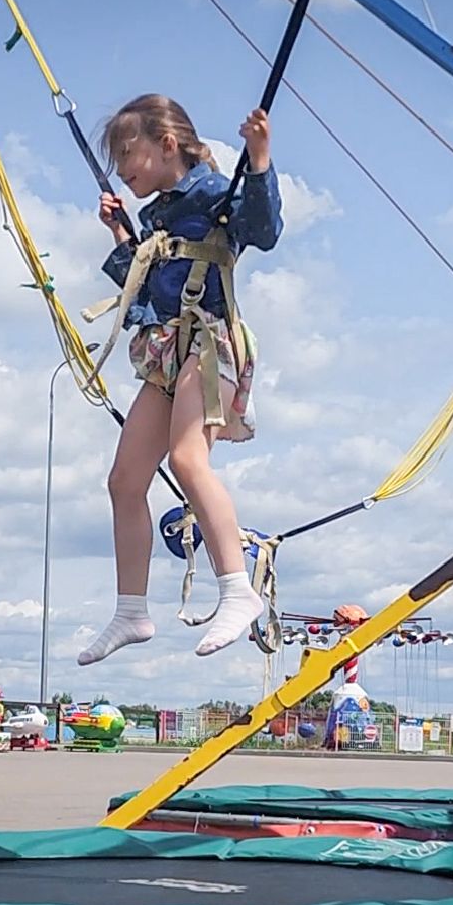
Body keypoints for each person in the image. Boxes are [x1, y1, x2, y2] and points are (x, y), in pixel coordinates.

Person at [76, 93, 283, 667]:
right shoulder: (156, 216)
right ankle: (131, 610)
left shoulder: (216, 194)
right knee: (124, 480)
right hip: (169, 350)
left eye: (127, 153)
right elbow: (142, 287)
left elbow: (263, 231)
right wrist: (122, 235)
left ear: (167, 144)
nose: (122, 169)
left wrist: (260, 159)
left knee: (189, 460)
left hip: (209, 341)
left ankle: (238, 590)